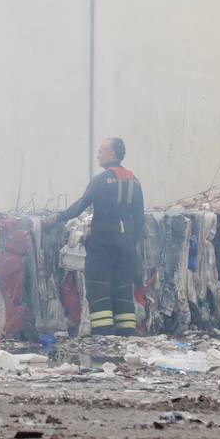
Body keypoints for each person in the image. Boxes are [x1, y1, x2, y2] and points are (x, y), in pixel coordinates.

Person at [52, 137, 144, 336]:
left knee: (99, 290)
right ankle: (126, 337)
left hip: (103, 245)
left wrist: (56, 219)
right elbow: (140, 220)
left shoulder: (101, 181)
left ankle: (104, 338)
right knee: (122, 291)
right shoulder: (135, 182)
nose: (98, 155)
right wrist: (131, 242)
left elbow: (80, 206)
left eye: (101, 151)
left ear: (112, 154)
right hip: (126, 247)